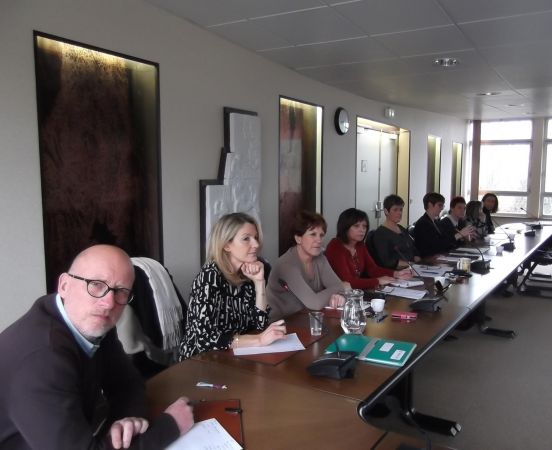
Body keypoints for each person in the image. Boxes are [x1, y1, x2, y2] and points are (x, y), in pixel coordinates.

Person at [0, 244, 194, 450]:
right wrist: (170, 426)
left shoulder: (91, 321)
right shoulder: (41, 360)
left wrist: (126, 421)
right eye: (96, 285)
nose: (108, 303)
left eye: (120, 291)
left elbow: (127, 383)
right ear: (64, 285)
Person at [179, 213, 286, 360]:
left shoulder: (246, 274)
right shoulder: (210, 276)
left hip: (233, 356)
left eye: (255, 238)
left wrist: (259, 282)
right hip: (201, 360)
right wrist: (259, 340)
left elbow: (260, 324)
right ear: (226, 245)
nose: (256, 244)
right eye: (246, 239)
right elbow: (204, 339)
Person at [267, 211, 347, 320]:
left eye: (321, 235)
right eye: (313, 234)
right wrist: (339, 287)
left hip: (307, 318)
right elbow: (315, 303)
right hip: (280, 323)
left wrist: (339, 295)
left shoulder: (320, 258)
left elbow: (340, 288)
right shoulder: (286, 265)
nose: (319, 240)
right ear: (298, 238)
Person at [325, 208, 412, 290]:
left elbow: (372, 269)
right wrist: (377, 281)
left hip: (355, 292)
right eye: (356, 226)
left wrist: (395, 273)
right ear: (345, 227)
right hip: (337, 294)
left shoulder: (359, 245)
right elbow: (348, 281)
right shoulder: (335, 246)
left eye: (364, 226)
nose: (362, 230)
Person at [372, 195, 420, 269]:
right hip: (398, 271)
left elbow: (413, 249)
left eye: (401, 210)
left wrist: (420, 264)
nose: (399, 213)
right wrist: (411, 264)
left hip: (413, 268)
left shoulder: (401, 228)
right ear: (386, 211)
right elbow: (387, 261)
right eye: (395, 210)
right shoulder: (380, 234)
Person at [413, 192, 466, 258]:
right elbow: (436, 246)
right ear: (430, 205)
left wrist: (462, 238)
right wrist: (459, 235)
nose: (442, 208)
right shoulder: (423, 223)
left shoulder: (436, 222)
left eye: (442, 206)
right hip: (428, 260)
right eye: (440, 205)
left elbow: (446, 241)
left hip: (439, 257)